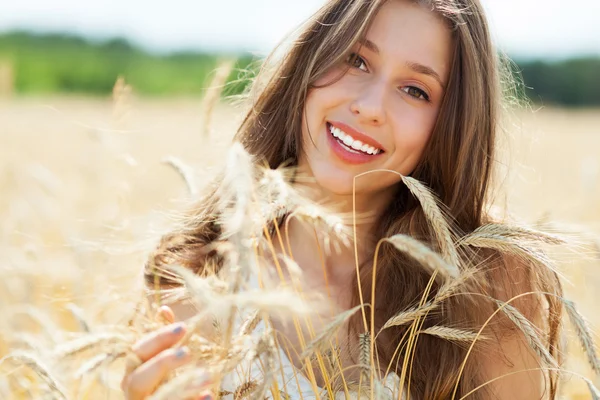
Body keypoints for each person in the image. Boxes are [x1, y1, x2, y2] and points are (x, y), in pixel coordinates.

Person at [120, 0, 564, 399]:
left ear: (449, 127)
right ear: (309, 64)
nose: (370, 106)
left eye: (416, 90)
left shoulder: (489, 282)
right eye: (356, 60)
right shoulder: (194, 283)